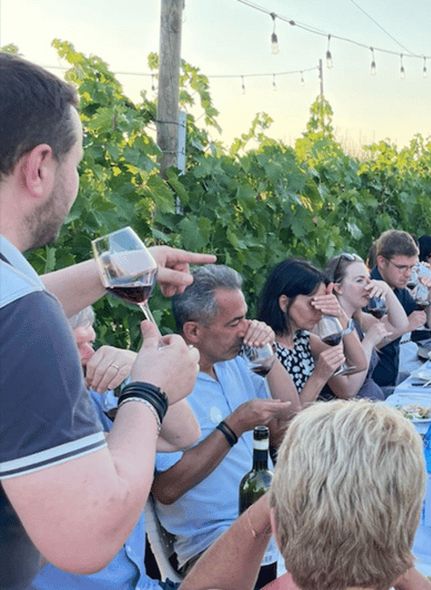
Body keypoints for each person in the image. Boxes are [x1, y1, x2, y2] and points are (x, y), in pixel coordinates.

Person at [0, 53, 212, 588]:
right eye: (76, 163)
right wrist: (149, 391)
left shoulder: (16, 303)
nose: (75, 181)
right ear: (39, 167)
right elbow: (88, 535)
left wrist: (115, 268)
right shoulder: (23, 317)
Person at [181, 400, 431, 590]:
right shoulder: (397, 553)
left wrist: (278, 499)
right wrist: (389, 554)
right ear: (412, 529)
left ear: (277, 531)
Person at [33, 307, 201, 590]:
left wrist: (139, 374)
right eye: (76, 345)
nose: (90, 353)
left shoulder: (91, 397)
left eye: (91, 342)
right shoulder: (19, 430)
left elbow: (184, 435)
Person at [151, 265, 295, 586]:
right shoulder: (165, 385)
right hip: (215, 541)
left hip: (273, 522)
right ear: (193, 332)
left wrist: (269, 357)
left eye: (246, 318)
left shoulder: (238, 363)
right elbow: (167, 490)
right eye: (234, 323)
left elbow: (288, 420)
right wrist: (234, 426)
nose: (245, 330)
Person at [257, 258, 368, 403]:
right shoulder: (266, 348)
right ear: (284, 303)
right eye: (313, 303)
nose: (319, 311)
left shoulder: (302, 339)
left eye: (321, 303)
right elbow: (289, 414)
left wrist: (340, 314)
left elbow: (358, 364)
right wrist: (319, 376)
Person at [324, 252, 408, 400]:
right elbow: (347, 390)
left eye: (368, 280)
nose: (368, 287)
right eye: (359, 281)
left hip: (374, 401)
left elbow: (400, 325)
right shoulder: (329, 329)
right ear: (338, 288)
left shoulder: (357, 318)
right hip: (353, 411)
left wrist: (386, 290)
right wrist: (368, 342)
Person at [370, 230, 431, 388]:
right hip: (374, 384)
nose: (408, 274)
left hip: (391, 377)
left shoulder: (399, 290)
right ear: (382, 262)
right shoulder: (370, 290)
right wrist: (407, 325)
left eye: (412, 267)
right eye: (402, 267)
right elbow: (368, 343)